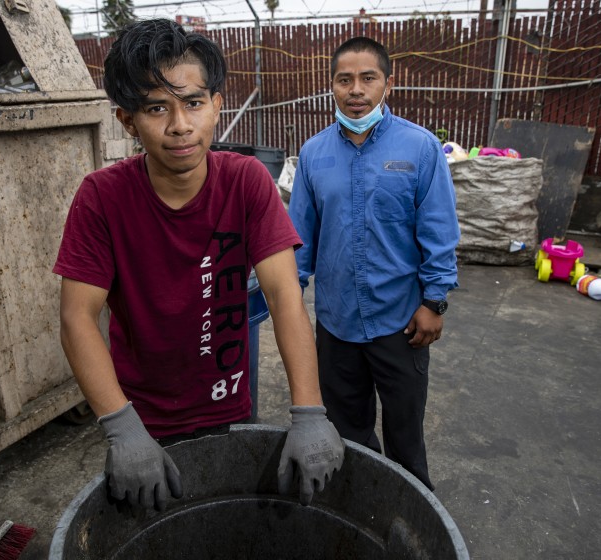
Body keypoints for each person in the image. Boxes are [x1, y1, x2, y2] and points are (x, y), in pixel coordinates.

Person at [53, 19, 343, 512]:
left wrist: (310, 412)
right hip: (141, 414)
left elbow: (284, 297)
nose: (179, 126)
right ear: (127, 121)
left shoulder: (246, 182)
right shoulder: (101, 198)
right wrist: (121, 428)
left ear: (216, 106)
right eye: (155, 108)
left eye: (192, 103)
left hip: (227, 400)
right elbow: (77, 317)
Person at [287, 36, 459, 491]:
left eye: (368, 78)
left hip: (401, 323)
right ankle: (362, 510)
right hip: (337, 323)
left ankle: (412, 520)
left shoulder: (419, 149)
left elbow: (439, 229)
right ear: (332, 86)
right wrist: (290, 298)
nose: (356, 90)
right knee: (349, 435)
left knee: (405, 439)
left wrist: (435, 302)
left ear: (388, 83)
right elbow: (299, 238)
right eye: (345, 80)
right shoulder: (313, 154)